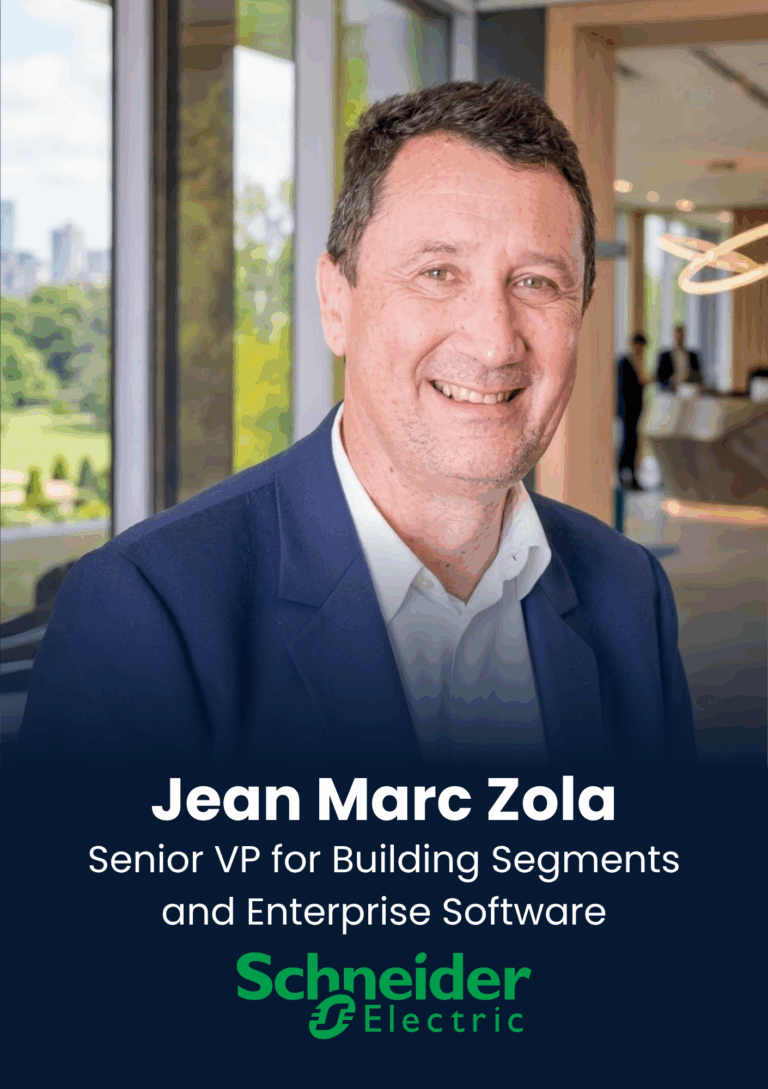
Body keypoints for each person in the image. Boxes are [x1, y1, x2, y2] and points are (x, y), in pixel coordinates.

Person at [19, 79, 694, 766]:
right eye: (438, 272)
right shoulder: (148, 614)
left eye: (537, 283)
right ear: (336, 302)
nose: (495, 342)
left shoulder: (629, 594)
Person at [616, 333, 648, 490]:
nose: (641, 351)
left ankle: (632, 475)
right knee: (627, 443)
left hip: (636, 410)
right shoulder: (624, 362)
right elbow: (623, 389)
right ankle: (623, 475)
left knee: (633, 443)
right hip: (627, 411)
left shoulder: (637, 363)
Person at [656, 325, 702, 391]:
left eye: (681, 336)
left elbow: (699, 377)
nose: (679, 339)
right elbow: (659, 378)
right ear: (674, 336)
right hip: (670, 390)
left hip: (690, 389)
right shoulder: (665, 356)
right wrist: (671, 382)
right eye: (677, 336)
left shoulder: (693, 356)